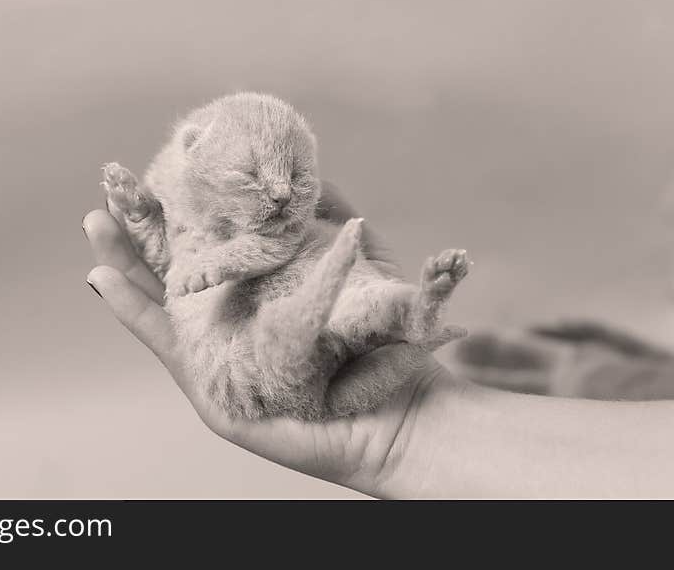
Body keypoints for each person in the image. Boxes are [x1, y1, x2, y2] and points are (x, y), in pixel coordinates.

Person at [83, 184, 674, 499]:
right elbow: (179, 255)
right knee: (309, 325)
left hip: (320, 342)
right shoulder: (203, 223)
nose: (278, 191)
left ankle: (420, 313)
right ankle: (421, 316)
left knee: (365, 303)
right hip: (278, 351)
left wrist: (419, 426)